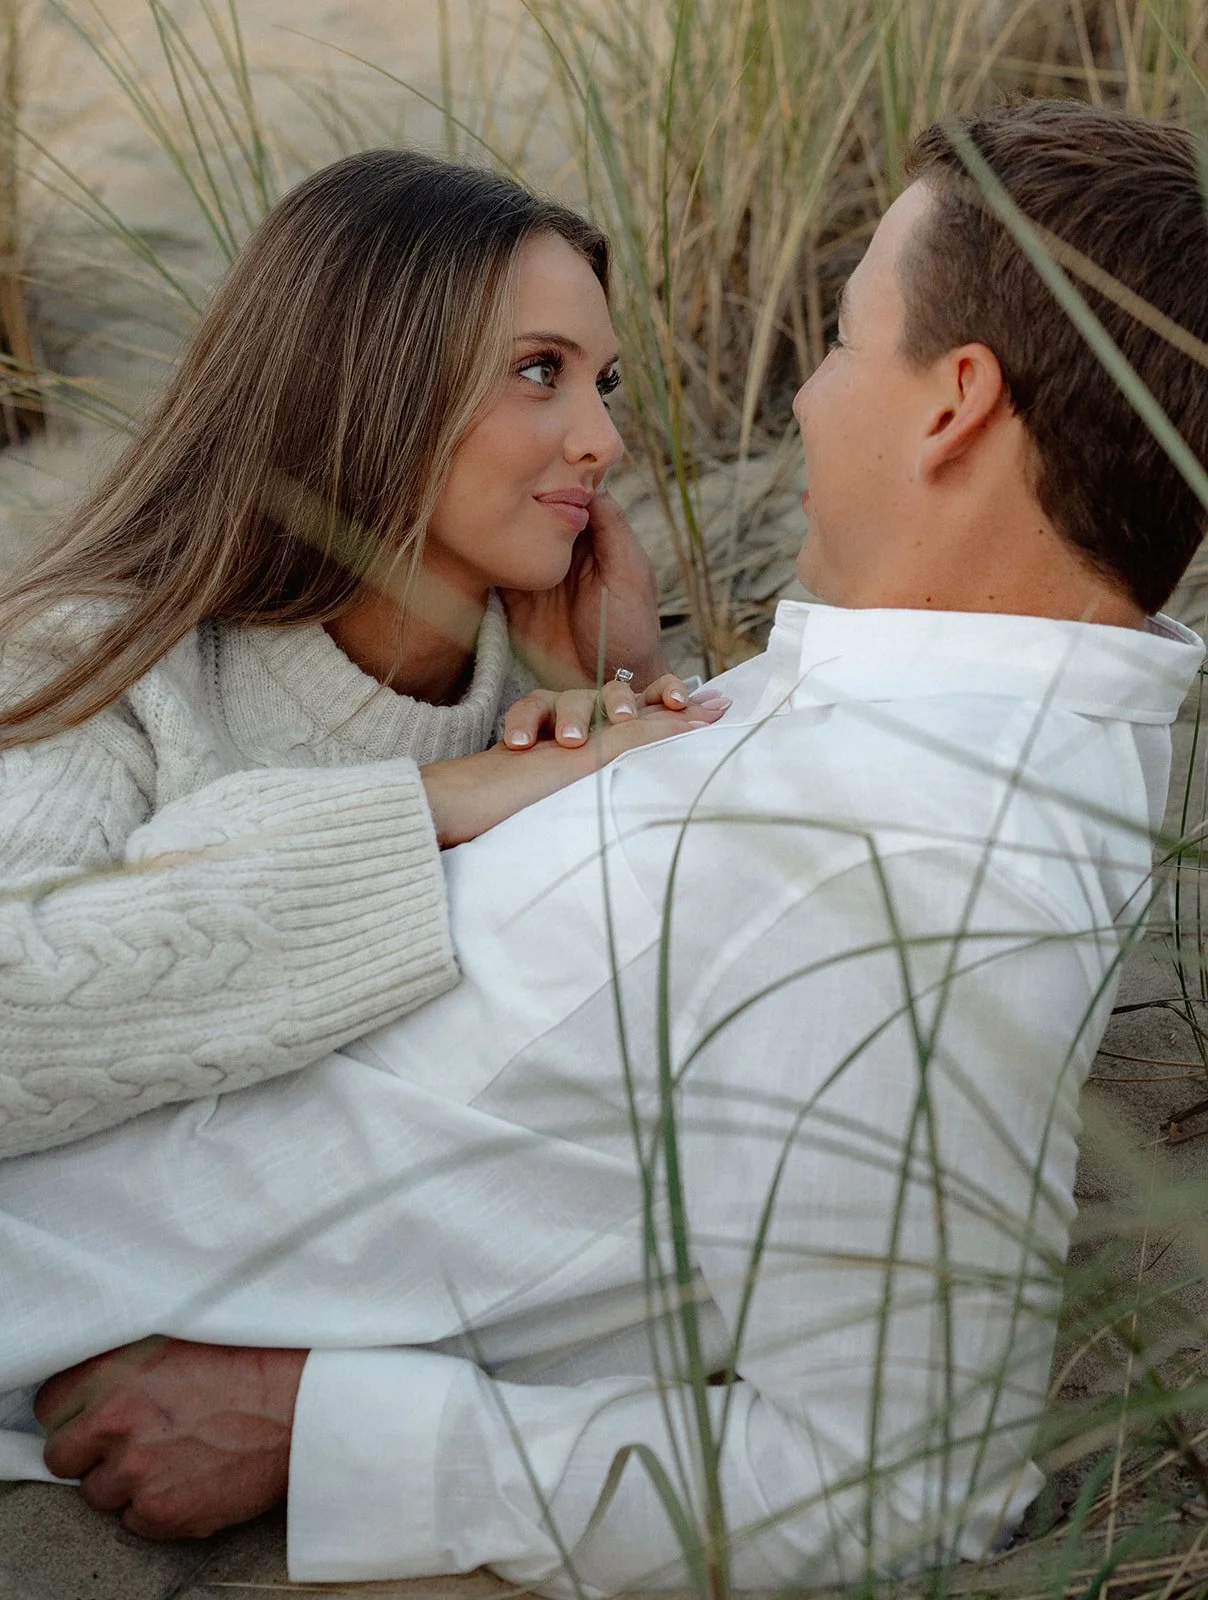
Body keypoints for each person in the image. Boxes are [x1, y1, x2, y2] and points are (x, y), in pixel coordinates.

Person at [3, 99, 1208, 1594]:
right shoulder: (853, 731)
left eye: (837, 342)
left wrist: (329, 1424)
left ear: (953, 403)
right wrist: (594, 715)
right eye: (540, 374)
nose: (798, 404)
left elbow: (912, 1482)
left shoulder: (926, 869)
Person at [0, 149, 728, 1160]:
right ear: (372, 381)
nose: (602, 438)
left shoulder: (537, 703)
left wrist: (613, 682)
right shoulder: (94, 656)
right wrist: (443, 799)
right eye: (537, 370)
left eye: (600, 383)